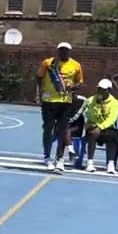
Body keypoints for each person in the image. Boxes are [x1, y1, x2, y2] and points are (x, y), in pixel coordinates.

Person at [36, 42, 83, 173]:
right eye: (61, 50)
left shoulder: (76, 65)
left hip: (65, 101)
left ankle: (60, 158)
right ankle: (47, 156)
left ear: (70, 52)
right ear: (57, 51)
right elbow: (39, 77)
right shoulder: (48, 63)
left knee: (62, 131)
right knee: (48, 129)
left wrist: (72, 87)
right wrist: (39, 93)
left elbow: (79, 82)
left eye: (66, 50)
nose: (63, 52)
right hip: (49, 101)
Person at [81, 79, 118, 175]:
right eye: (99, 89)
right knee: (92, 134)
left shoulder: (115, 103)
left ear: (109, 90)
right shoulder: (91, 100)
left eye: (103, 89)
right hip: (93, 126)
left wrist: (100, 127)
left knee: (113, 135)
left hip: (107, 128)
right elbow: (88, 115)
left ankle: (110, 164)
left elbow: (112, 119)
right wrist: (97, 105)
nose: (100, 91)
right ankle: (90, 162)